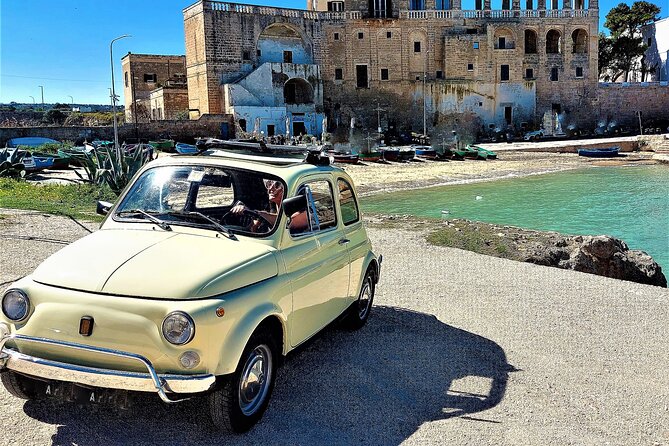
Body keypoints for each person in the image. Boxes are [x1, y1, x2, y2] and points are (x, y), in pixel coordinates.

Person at [230, 179, 308, 232]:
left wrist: (259, 214)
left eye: (277, 185)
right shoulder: (271, 207)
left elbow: (285, 223)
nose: (270, 188)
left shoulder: (301, 212)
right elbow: (252, 228)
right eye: (269, 184)